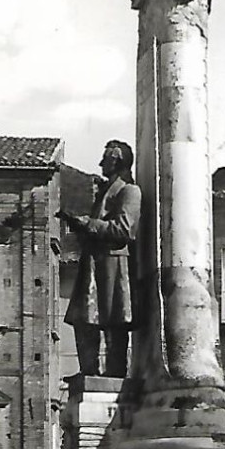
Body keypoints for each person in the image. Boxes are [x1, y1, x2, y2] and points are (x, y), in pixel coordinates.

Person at [61, 141, 141, 378]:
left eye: (105, 159)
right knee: (83, 319)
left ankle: (115, 372)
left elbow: (124, 230)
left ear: (117, 161)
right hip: (95, 262)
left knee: (114, 323)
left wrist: (89, 224)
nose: (100, 164)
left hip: (114, 265)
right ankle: (89, 370)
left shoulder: (129, 191)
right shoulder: (105, 191)